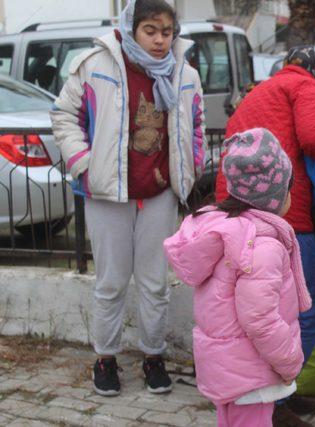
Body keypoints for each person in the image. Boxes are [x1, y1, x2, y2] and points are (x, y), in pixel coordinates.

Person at [50, 0, 205, 396]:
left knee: (155, 283)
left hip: (158, 193)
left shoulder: (184, 72)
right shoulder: (95, 64)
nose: (159, 40)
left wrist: (192, 164)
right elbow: (64, 114)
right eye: (150, 30)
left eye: (166, 32)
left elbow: (197, 124)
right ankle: (106, 359)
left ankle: (154, 357)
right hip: (108, 194)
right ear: (132, 28)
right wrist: (84, 162)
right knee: (111, 282)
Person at [215, 45, 315, 425]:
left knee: (265, 309)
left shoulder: (263, 89)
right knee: (310, 304)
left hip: (238, 208)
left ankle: (277, 396)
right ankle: (272, 400)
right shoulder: (309, 86)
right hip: (285, 210)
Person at [164, 128, 311, 427]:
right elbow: (260, 319)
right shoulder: (263, 246)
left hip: (228, 368)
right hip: (251, 373)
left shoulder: (230, 231)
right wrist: (291, 360)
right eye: (288, 188)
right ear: (274, 197)